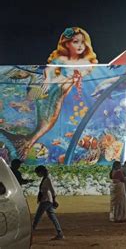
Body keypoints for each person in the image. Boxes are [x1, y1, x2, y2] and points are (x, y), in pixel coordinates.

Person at [13, 27, 98, 159]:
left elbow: (76, 76)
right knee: (42, 121)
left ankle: (26, 144)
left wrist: (58, 79)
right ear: (67, 43)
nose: (80, 45)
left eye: (82, 42)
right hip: (46, 93)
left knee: (48, 123)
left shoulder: (85, 63)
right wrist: (47, 79)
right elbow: (48, 69)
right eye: (75, 42)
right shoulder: (61, 59)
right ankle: (25, 145)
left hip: (58, 95)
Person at [32, 165, 64, 240]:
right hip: (47, 200)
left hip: (46, 200)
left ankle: (30, 232)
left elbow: (52, 190)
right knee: (52, 217)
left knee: (37, 217)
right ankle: (60, 233)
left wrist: (54, 200)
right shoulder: (45, 178)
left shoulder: (47, 179)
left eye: (37, 173)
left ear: (41, 172)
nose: (37, 175)